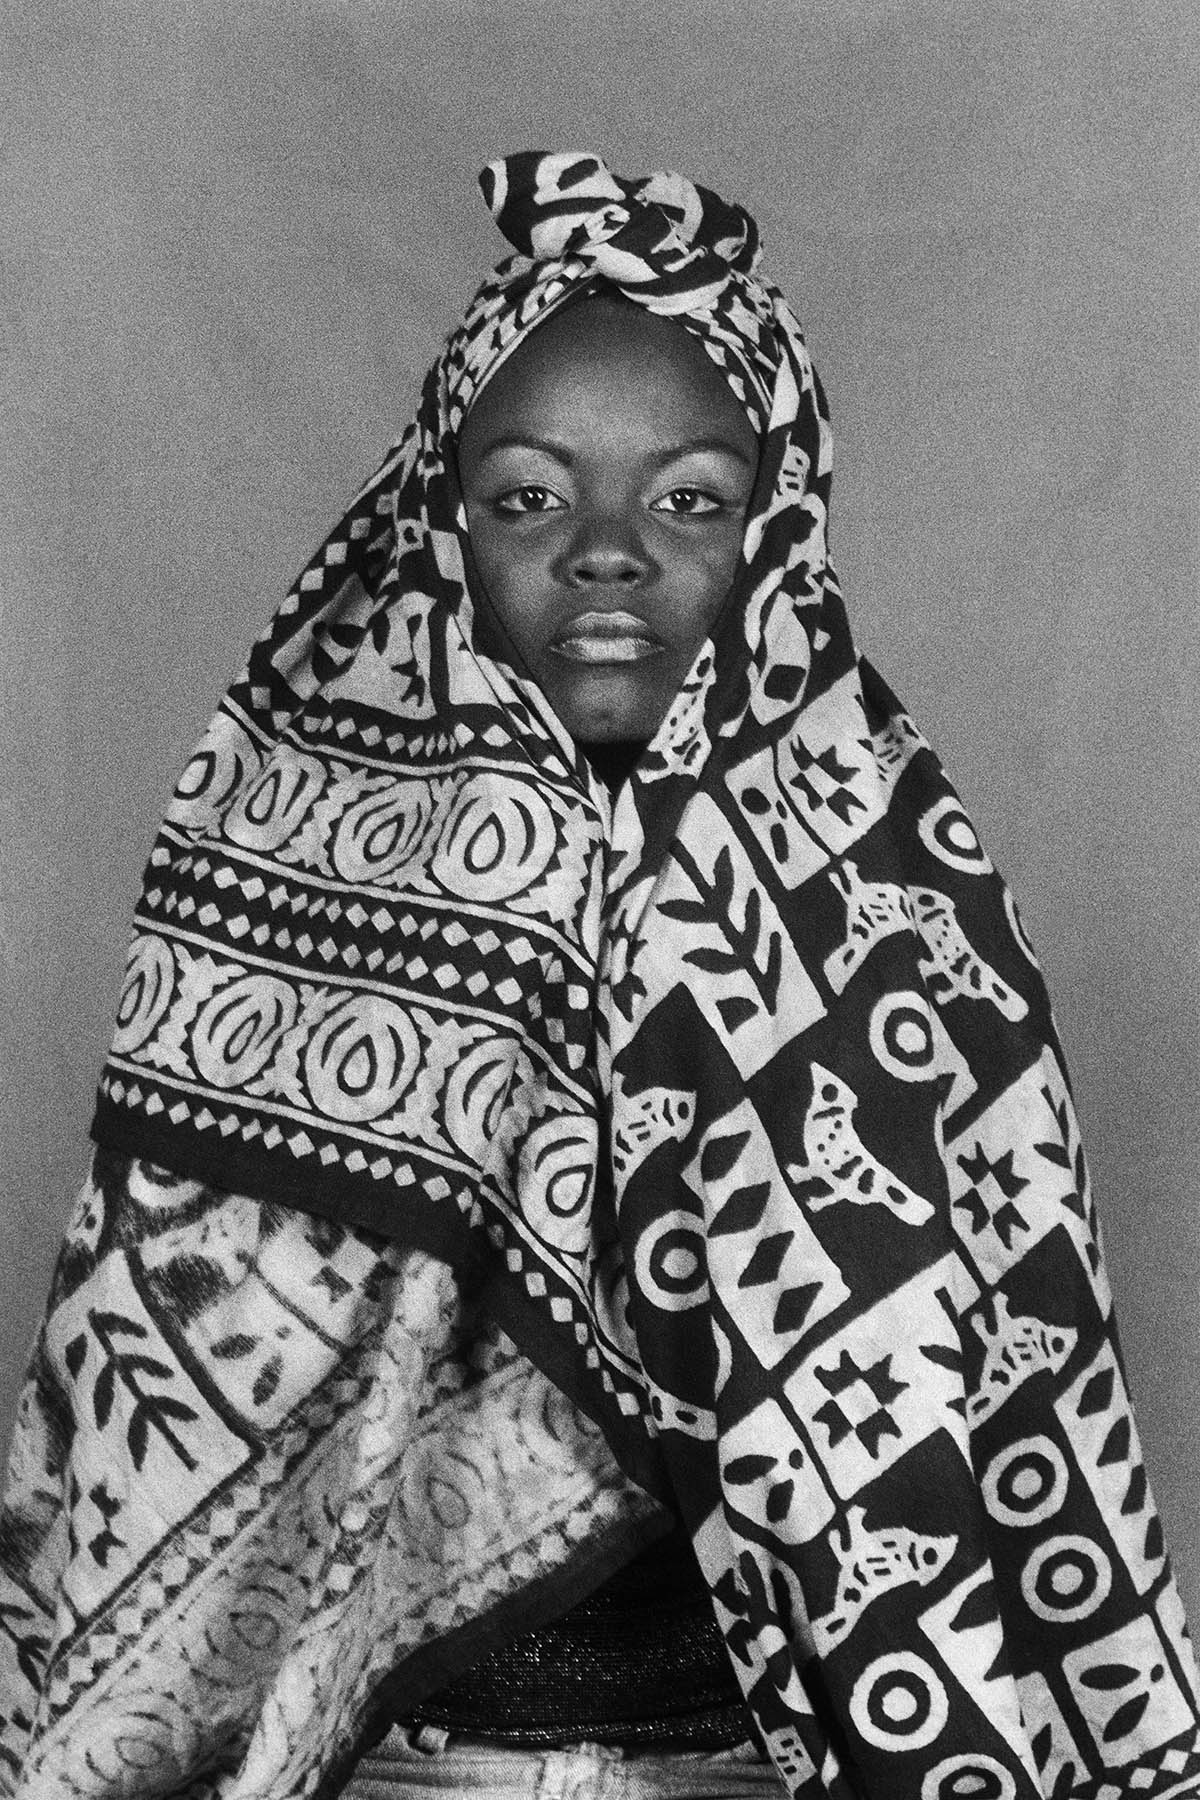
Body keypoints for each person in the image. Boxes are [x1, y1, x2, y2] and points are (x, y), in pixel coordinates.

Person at [0, 151, 1196, 1800]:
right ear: (441, 526)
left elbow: (1001, 1424)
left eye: (691, 498)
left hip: (767, 1773)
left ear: (781, 528)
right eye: (527, 498)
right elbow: (156, 1453)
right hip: (388, 1773)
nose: (609, 551)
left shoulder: (911, 916)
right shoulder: (278, 894)